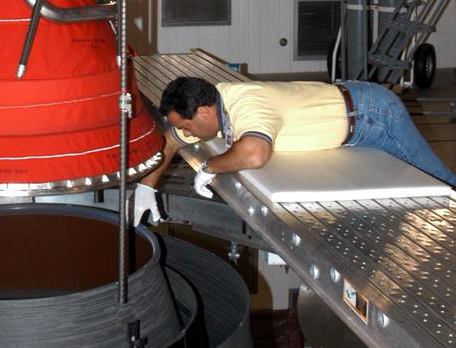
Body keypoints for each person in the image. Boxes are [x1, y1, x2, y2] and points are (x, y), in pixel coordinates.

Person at [133, 74, 456, 224]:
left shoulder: (247, 102)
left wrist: (210, 167)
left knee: (441, 186)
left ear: (203, 111)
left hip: (373, 115)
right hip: (354, 123)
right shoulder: (211, 108)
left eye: (188, 125)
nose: (187, 132)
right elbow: (170, 142)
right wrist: (147, 188)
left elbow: (255, 154)